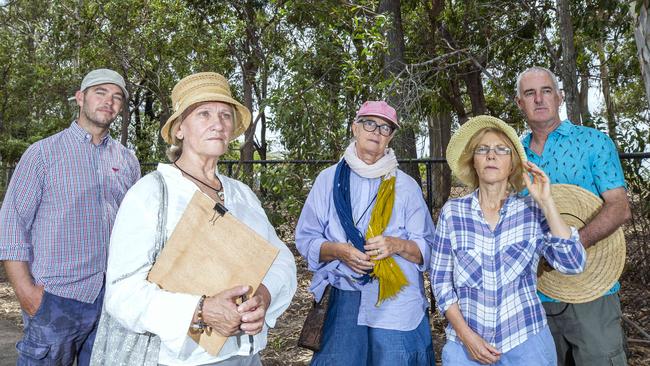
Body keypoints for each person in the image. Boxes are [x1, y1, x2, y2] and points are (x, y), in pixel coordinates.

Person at [91, 72, 296, 365]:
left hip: (246, 356)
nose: (218, 123)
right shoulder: (152, 192)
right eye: (204, 114)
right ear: (179, 130)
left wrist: (264, 295)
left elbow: (280, 259)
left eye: (226, 115)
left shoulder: (242, 195)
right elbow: (122, 292)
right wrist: (200, 310)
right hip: (179, 358)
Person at [0, 68, 140, 365]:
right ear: (80, 98)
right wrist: (27, 293)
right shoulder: (42, 154)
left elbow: (134, 229)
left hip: (111, 301)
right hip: (55, 298)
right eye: (100, 93)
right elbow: (12, 225)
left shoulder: (127, 160)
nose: (109, 102)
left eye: (117, 97)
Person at [431, 115, 587, 365]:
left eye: (501, 149)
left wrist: (547, 203)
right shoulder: (453, 213)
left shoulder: (532, 210)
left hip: (527, 343)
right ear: (473, 161)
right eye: (483, 149)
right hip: (466, 348)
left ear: (513, 164)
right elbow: (440, 283)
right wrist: (467, 337)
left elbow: (573, 264)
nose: (491, 155)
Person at [295, 101, 436, 365]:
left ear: (391, 137)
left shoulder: (406, 187)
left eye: (385, 127)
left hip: (395, 298)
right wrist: (339, 251)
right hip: (343, 295)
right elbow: (306, 239)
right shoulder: (328, 180)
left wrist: (397, 245)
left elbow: (427, 247)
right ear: (355, 128)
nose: (376, 131)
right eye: (369, 123)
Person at [516, 66, 632, 366]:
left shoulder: (594, 142)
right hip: (534, 293)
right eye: (530, 93)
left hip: (593, 287)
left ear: (560, 97)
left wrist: (570, 246)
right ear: (520, 103)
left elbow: (619, 207)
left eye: (546, 91)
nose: (539, 99)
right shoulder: (512, 155)